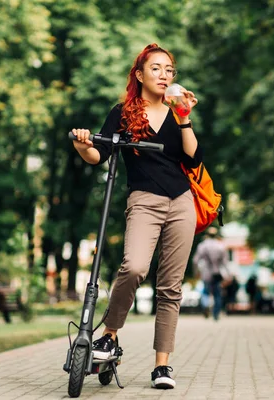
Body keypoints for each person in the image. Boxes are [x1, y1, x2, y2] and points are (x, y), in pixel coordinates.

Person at [70, 43, 200, 390]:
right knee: (135, 267)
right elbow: (100, 153)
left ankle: (162, 366)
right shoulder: (124, 112)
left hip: (182, 202)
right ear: (140, 75)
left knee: (170, 287)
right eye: (156, 68)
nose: (164, 75)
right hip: (144, 200)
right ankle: (110, 335)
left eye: (170, 70)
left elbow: (192, 158)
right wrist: (83, 144)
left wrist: (185, 117)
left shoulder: (176, 112)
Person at [192, 226, 228, 321]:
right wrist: (228, 275)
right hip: (217, 273)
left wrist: (196, 272)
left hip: (206, 272)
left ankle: (206, 306)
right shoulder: (221, 246)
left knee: (206, 292)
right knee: (217, 293)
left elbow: (195, 260)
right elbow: (225, 263)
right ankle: (216, 314)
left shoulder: (202, 245)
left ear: (207, 234)